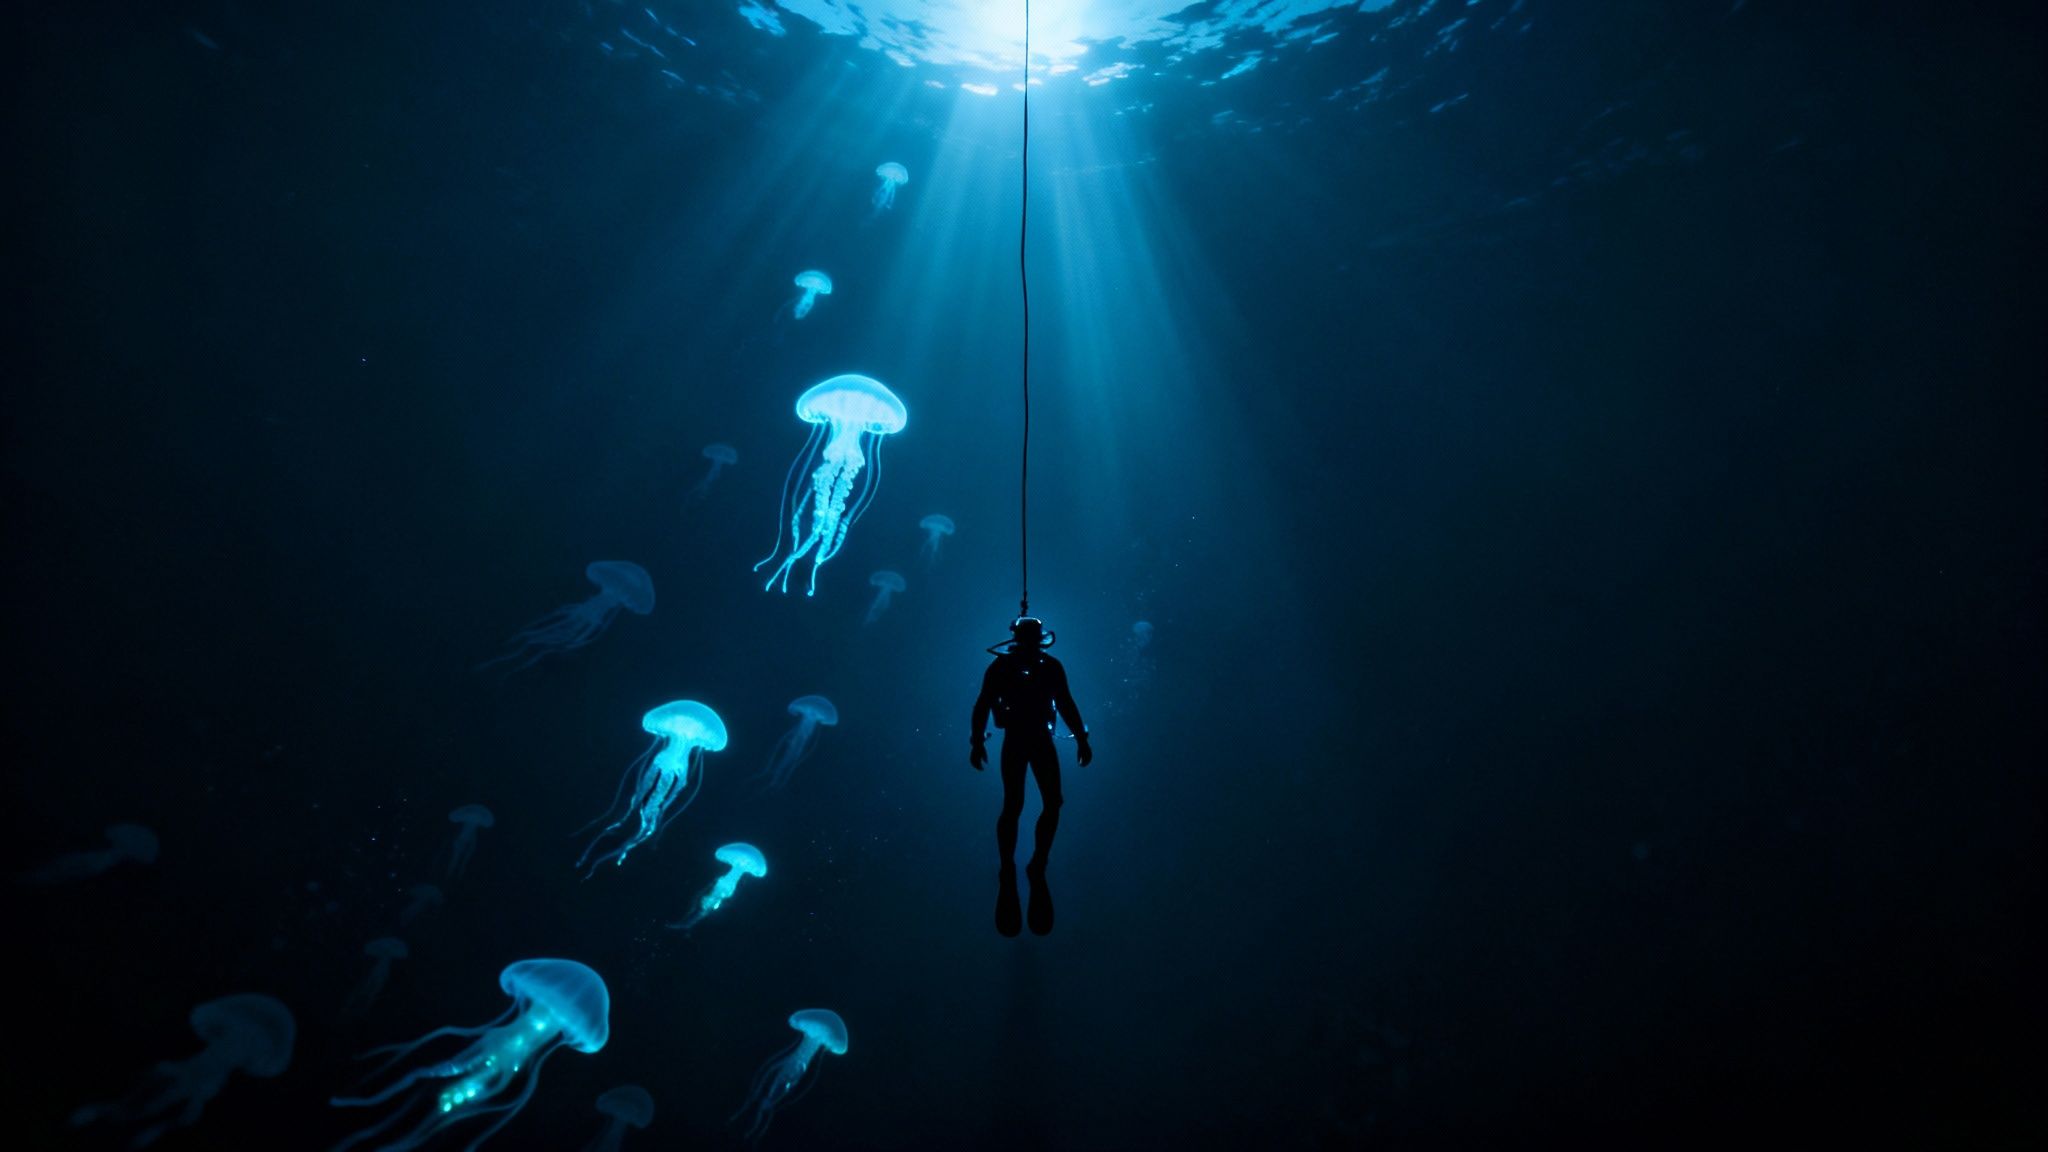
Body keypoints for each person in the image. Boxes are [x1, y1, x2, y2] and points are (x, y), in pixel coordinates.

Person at [971, 616, 1091, 935]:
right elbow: (983, 703)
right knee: (1017, 804)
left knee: (1048, 802)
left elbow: (1065, 702)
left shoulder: (1047, 667)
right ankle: (1014, 865)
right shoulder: (1008, 668)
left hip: (1036, 739)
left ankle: (1032, 864)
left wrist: (1081, 737)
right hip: (1023, 739)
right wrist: (975, 741)